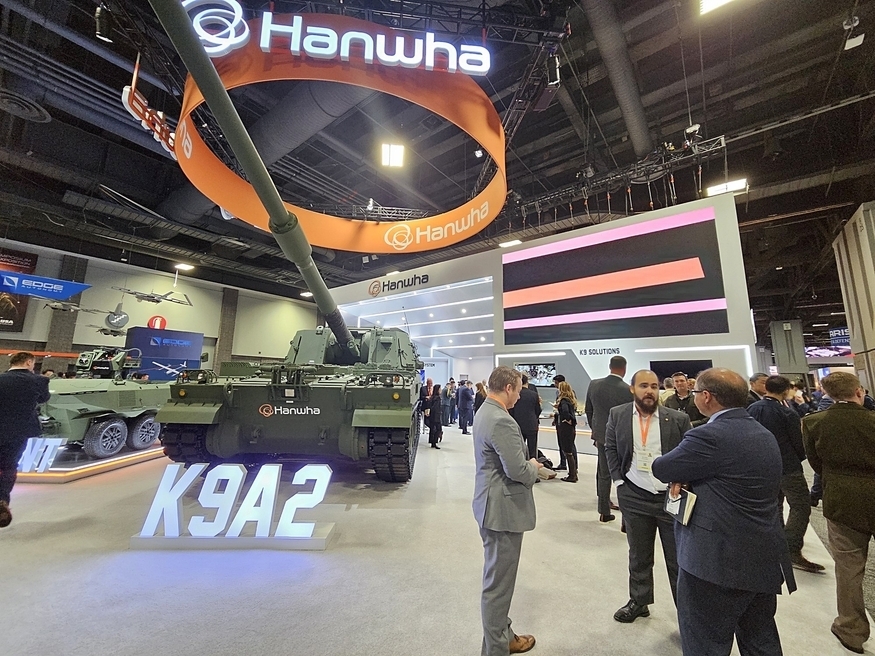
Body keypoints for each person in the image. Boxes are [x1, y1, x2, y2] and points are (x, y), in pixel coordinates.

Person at [651, 368, 796, 656]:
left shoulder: (708, 436)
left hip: (716, 561)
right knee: (760, 640)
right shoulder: (762, 433)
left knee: (705, 642)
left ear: (706, 397)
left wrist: (686, 475)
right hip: (762, 556)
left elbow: (662, 468)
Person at [605, 369, 692, 623]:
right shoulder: (618, 414)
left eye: (654, 386)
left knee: (678, 559)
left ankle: (687, 613)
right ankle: (639, 601)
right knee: (639, 554)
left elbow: (689, 454)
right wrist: (619, 481)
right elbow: (611, 447)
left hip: (670, 498)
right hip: (634, 495)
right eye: (644, 386)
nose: (650, 391)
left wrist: (683, 479)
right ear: (632, 389)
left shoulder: (677, 419)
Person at [802, 372, 875, 655]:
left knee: (848, 568)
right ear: (859, 392)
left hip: (841, 500)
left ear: (827, 394)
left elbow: (815, 463)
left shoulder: (813, 422)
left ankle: (851, 630)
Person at [473, 366, 542, 655]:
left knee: (499, 581)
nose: (520, 396)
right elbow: (517, 471)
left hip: (492, 505)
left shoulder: (486, 411)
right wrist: (534, 467)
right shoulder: (501, 420)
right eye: (519, 390)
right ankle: (497, 648)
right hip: (501, 512)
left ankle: (504, 635)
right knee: (498, 588)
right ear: (509, 388)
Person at [747, 375, 823, 573]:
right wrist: (799, 457)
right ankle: (791, 549)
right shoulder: (786, 413)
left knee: (775, 505)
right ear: (786, 390)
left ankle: (777, 545)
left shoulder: (752, 409)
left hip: (762, 466)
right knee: (801, 506)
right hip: (787, 466)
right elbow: (798, 442)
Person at [0, 351, 51, 527]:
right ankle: (2, 500)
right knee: (9, 466)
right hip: (19, 431)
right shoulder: (39, 380)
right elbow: (44, 399)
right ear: (29, 362)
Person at [584, 356, 632, 522]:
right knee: (625, 473)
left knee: (603, 473)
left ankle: (604, 510)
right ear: (624, 369)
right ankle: (627, 513)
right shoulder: (628, 390)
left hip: (602, 437)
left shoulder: (594, 384)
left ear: (609, 366)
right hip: (621, 438)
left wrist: (596, 431)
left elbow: (589, 410)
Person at [509, 374, 541, 459]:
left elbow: (511, 410)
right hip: (531, 424)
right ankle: (533, 464)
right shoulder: (534, 395)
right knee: (532, 450)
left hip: (518, 424)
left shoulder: (515, 394)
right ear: (527, 382)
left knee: (519, 449)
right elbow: (538, 410)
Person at [554, 381, 579, 483]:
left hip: (565, 428)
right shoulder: (571, 400)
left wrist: (566, 419)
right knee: (570, 450)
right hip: (571, 428)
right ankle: (573, 473)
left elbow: (565, 412)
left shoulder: (563, 400)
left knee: (567, 451)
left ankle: (572, 475)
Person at [425, 384, 443, 449]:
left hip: (432, 416)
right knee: (438, 429)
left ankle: (432, 442)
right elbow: (436, 408)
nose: (441, 390)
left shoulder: (432, 397)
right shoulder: (437, 398)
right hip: (436, 416)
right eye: (440, 389)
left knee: (432, 429)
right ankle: (434, 442)